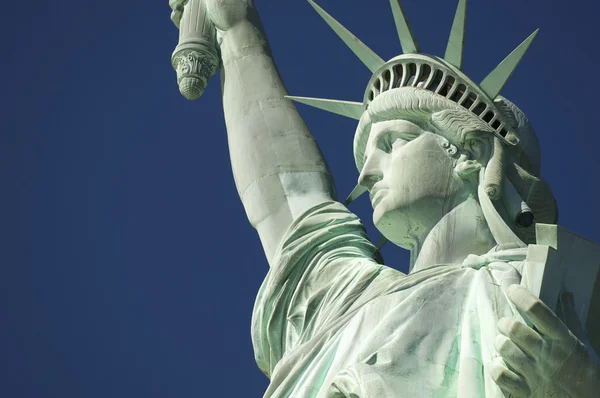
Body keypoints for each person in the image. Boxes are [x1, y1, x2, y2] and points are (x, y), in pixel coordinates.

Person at [170, 0, 600, 396]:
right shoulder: (350, 304)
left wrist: (578, 387)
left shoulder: (538, 298)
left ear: (470, 152)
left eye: (394, 141)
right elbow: (289, 193)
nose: (366, 172)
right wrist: (235, 29)